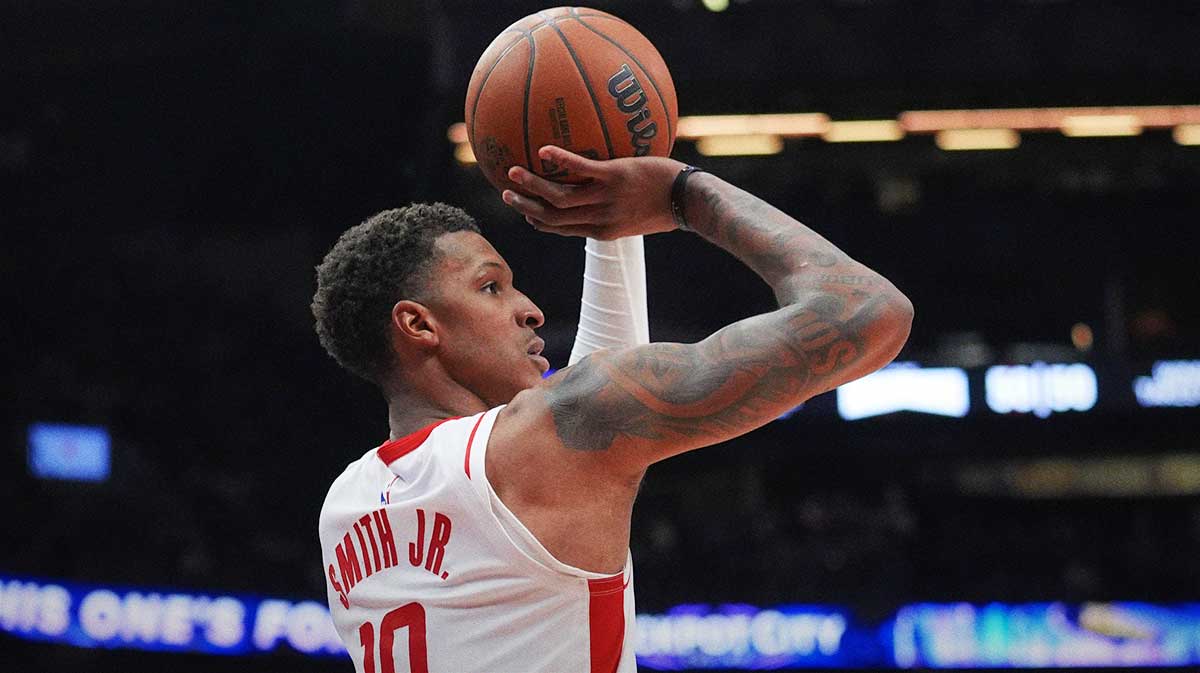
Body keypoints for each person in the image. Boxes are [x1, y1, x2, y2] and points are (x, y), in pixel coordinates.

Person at [313, 145, 913, 673]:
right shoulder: (544, 440)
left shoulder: (346, 505)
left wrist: (612, 223)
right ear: (418, 324)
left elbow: (589, 393)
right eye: (491, 286)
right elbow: (869, 313)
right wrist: (682, 194)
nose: (530, 309)